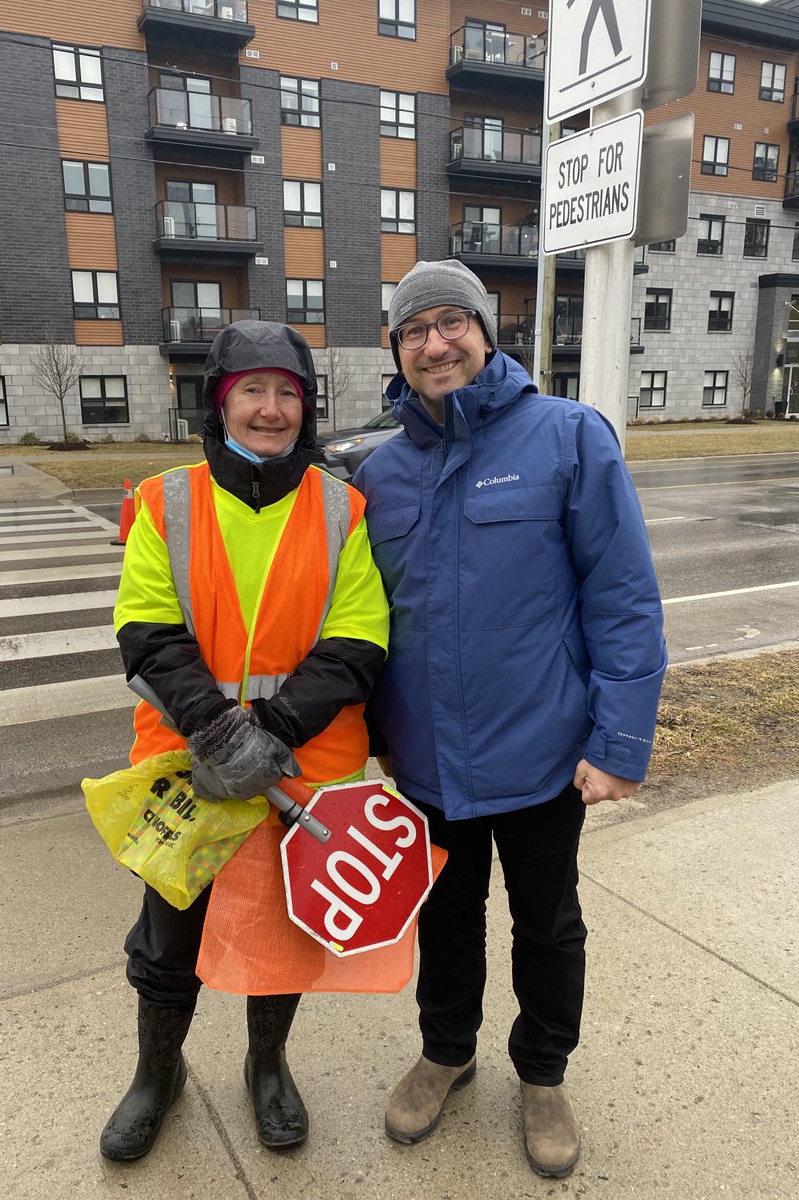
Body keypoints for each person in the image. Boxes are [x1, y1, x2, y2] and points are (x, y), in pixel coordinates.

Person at [353, 259, 666, 1179]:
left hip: (542, 754)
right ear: (398, 353)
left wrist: (617, 746)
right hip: (426, 763)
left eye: (451, 322)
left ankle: (542, 1073)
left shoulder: (568, 437)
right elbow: (363, 621)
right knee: (445, 919)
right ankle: (447, 1052)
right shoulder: (381, 474)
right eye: (413, 330)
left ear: (487, 334)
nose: (434, 343)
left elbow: (623, 600)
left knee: (547, 923)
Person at [103, 320, 389, 1161]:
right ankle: (157, 1074)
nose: (271, 410)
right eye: (252, 392)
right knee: (169, 937)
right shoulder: (166, 502)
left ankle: (268, 1068)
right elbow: (147, 631)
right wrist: (219, 728)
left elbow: (359, 640)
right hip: (186, 770)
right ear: (220, 403)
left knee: (282, 932)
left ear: (307, 406)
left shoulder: (344, 507)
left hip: (299, 772)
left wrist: (272, 731)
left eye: (288, 393)